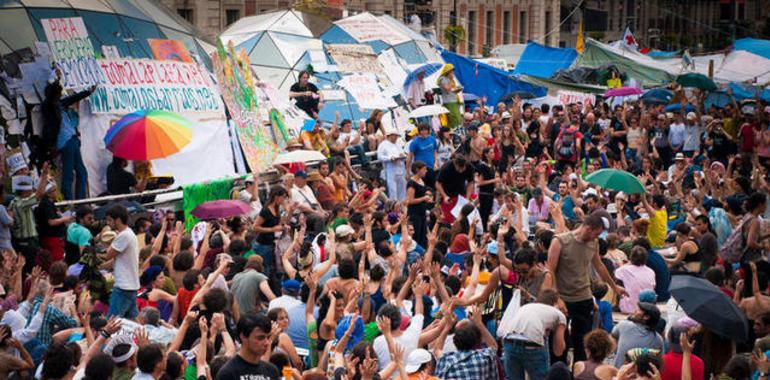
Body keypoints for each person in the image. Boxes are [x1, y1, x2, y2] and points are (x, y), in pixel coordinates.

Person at [547, 214, 627, 362]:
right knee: (559, 343)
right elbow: (550, 270)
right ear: (588, 228)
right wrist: (556, 298)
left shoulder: (594, 243)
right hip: (564, 297)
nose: (596, 237)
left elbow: (599, 266)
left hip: (584, 296)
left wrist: (614, 286)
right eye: (596, 234)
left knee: (582, 342)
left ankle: (580, 372)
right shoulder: (560, 241)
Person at [41, 82, 96, 200]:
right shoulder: (49, 106)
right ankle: (69, 202)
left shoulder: (58, 104)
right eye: (59, 94)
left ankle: (80, 200)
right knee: (69, 174)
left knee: (81, 172)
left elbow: (72, 98)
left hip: (72, 140)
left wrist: (88, 92)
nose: (61, 96)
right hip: (66, 142)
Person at [502, 289, 567, 380]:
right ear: (557, 302)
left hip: (509, 341)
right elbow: (558, 350)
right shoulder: (559, 314)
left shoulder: (526, 307)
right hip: (531, 345)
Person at [101, 204, 140, 319]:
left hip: (123, 287)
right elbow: (115, 261)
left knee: (111, 323)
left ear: (117, 220)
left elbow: (107, 255)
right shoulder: (129, 234)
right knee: (132, 324)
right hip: (130, 287)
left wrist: (92, 254)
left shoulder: (124, 236)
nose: (108, 223)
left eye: (109, 220)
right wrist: (99, 267)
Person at [216, 312, 281, 379]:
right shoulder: (228, 373)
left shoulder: (272, 371)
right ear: (243, 337)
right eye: (260, 338)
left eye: (268, 337)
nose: (266, 343)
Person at [612, 302, 664, 368]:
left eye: (639, 310)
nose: (635, 311)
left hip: (620, 373)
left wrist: (617, 352)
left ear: (646, 317)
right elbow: (660, 361)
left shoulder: (624, 325)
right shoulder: (658, 339)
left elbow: (613, 336)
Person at [36, 181, 72, 264]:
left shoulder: (49, 203)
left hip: (52, 237)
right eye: (54, 191)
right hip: (52, 238)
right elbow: (51, 222)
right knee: (57, 261)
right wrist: (65, 219)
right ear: (48, 194)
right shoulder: (46, 204)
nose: (56, 192)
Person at [614, 246, 656, 314]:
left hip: (629, 308)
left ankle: (615, 305)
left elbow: (616, 274)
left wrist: (621, 264)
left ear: (631, 257)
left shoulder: (624, 269)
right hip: (647, 307)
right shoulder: (651, 271)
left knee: (615, 283)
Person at [377, 129, 408, 200]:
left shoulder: (398, 145)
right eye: (395, 135)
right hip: (391, 169)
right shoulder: (383, 145)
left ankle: (402, 206)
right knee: (393, 190)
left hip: (401, 169)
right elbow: (379, 157)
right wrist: (389, 158)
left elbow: (403, 154)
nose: (396, 137)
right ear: (390, 135)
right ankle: (394, 207)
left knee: (402, 190)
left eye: (397, 136)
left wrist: (402, 156)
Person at [407, 123, 438, 189]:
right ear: (419, 131)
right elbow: (409, 157)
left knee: (434, 186)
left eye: (425, 130)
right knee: (423, 188)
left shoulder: (432, 139)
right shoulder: (414, 142)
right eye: (422, 130)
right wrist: (407, 171)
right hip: (420, 168)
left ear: (428, 130)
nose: (424, 132)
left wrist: (436, 162)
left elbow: (435, 152)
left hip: (431, 167)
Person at [437, 64, 464, 129]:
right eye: (452, 71)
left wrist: (458, 89)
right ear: (448, 71)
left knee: (457, 117)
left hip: (454, 101)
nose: (453, 73)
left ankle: (458, 129)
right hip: (449, 102)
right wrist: (451, 81)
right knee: (454, 118)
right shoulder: (443, 79)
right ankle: (455, 129)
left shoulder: (449, 79)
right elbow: (447, 90)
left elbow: (452, 91)